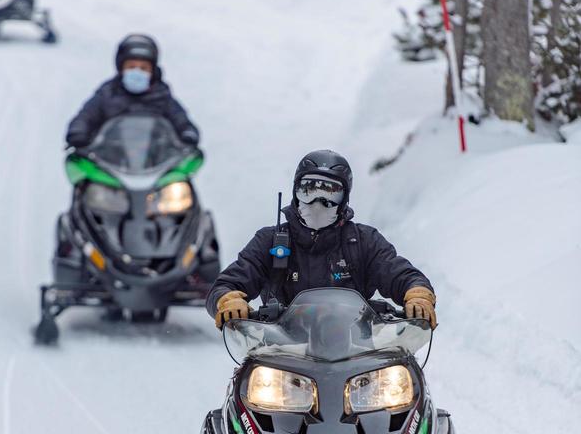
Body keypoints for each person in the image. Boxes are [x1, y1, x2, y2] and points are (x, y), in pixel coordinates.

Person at [209, 149, 437, 328]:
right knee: (250, 385)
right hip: (279, 353)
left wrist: (416, 294)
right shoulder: (271, 240)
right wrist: (228, 300)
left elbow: (399, 272)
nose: (318, 202)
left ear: (344, 199)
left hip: (357, 354)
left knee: (400, 383)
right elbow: (228, 282)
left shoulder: (363, 241)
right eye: (309, 190)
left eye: (330, 193)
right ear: (295, 193)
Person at [65, 34, 200, 148]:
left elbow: (182, 121)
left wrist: (188, 134)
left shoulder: (163, 96)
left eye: (143, 68)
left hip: (157, 164)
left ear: (152, 71)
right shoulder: (107, 94)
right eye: (131, 66)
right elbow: (85, 117)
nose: (137, 72)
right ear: (121, 68)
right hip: (109, 163)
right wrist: (78, 133)